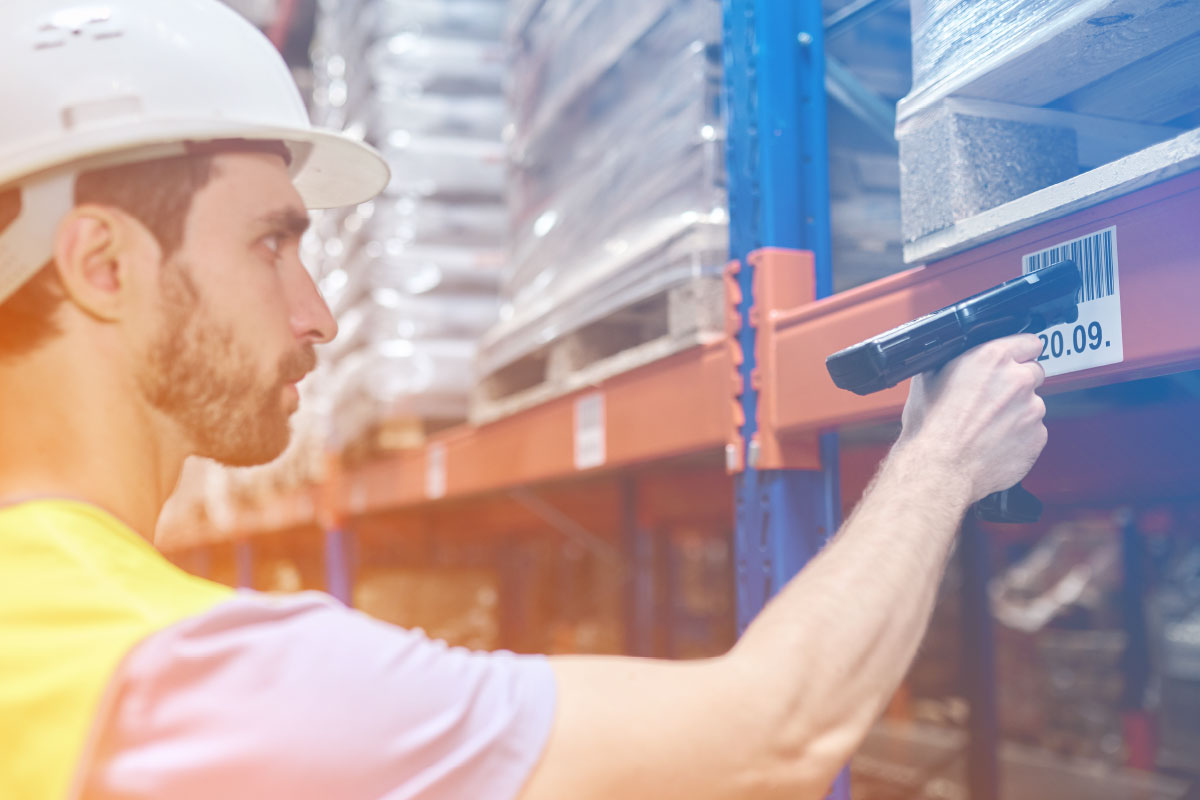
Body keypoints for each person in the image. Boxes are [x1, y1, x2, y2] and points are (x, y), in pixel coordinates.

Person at [0, 1, 1049, 798]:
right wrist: (943, 454)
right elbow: (774, 730)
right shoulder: (187, 677)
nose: (317, 312)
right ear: (102, 263)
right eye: (271, 240)